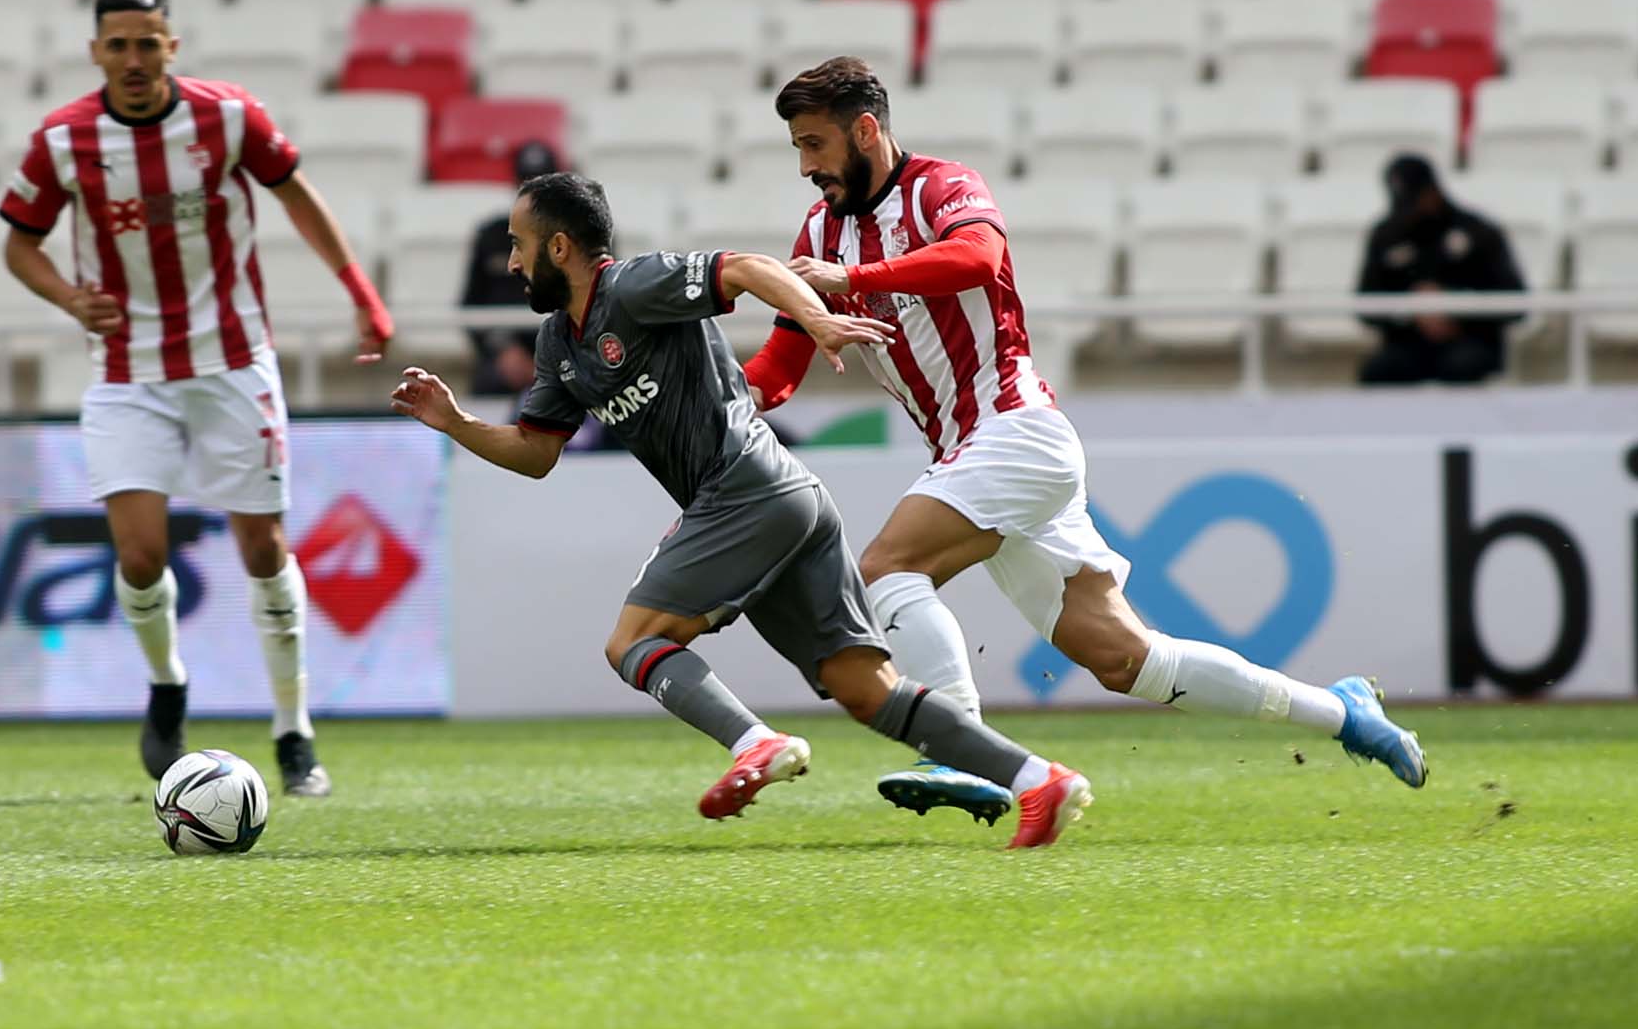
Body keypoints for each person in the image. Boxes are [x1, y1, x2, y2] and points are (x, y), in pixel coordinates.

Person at [741, 57, 1427, 824]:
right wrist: (719, 404)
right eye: (797, 148)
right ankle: (1345, 713)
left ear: (866, 130)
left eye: (815, 144)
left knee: (889, 567)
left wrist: (854, 278)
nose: (806, 167)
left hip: (1016, 431)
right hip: (973, 457)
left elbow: (980, 257)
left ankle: (959, 747)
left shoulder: (940, 187)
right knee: (1130, 661)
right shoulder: (820, 230)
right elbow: (781, 364)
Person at [390, 171, 1095, 849]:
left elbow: (748, 267)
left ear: (560, 248)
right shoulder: (559, 345)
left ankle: (757, 742)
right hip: (787, 500)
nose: (510, 261)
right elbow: (536, 452)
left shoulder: (632, 287)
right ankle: (1041, 781)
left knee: (632, 641)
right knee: (865, 688)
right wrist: (454, 423)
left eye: (518, 244)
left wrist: (817, 318)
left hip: (746, 487)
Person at [0, 0, 395, 796]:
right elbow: (21, 245)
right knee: (140, 555)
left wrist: (359, 288)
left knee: (264, 549)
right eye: (120, 45)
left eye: (149, 43)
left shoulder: (227, 117)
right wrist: (69, 298)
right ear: (96, 52)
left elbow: (295, 195)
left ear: (172, 47)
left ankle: (294, 732)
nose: (135, 59)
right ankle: (168, 685)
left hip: (231, 358)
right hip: (125, 371)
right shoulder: (64, 141)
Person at [1357, 154, 1526, 386]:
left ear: (1433, 191)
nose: (1410, 211)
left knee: (1462, 366)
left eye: (1414, 201)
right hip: (1408, 342)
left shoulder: (1478, 232)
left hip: (1470, 339)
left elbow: (1515, 303)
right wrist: (1412, 310)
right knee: (1380, 370)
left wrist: (1453, 307)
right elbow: (1365, 304)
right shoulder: (1386, 235)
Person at [463, 140, 560, 398]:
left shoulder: (584, 235)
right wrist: (503, 350)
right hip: (505, 358)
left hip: (566, 354)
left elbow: (601, 305)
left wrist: (556, 358)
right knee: (487, 383)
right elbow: (471, 305)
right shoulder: (491, 236)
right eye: (527, 183)